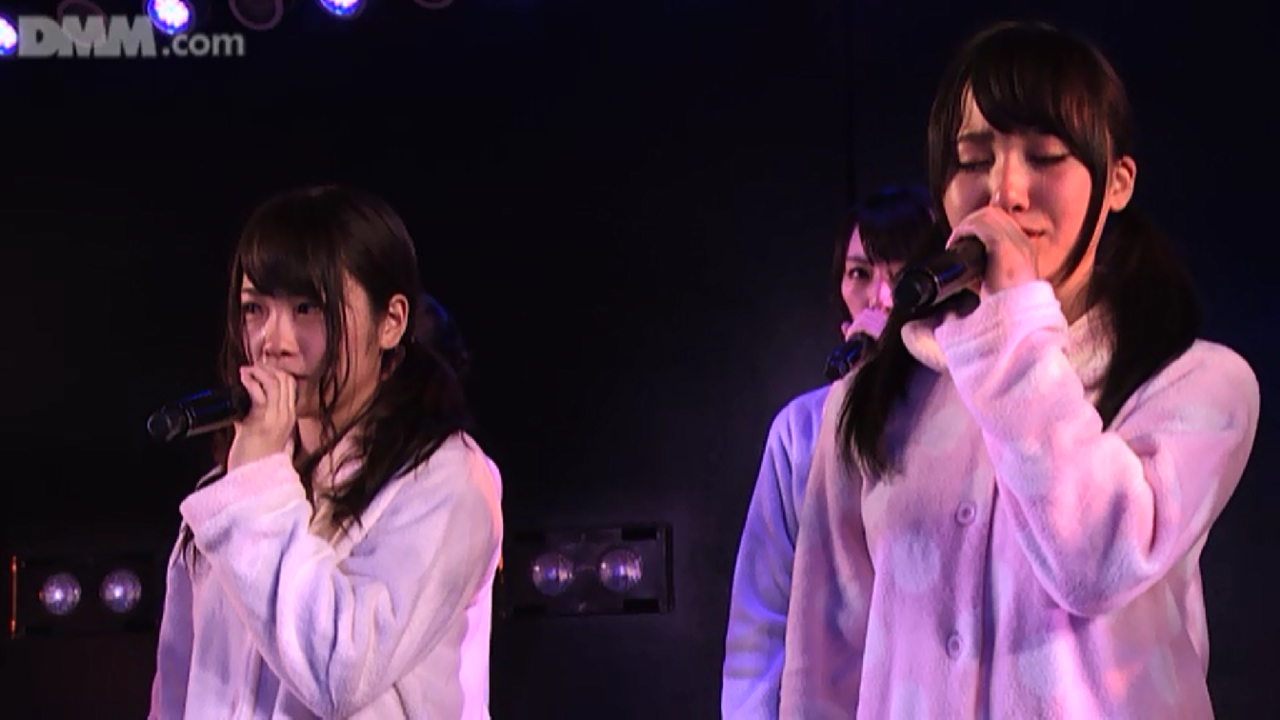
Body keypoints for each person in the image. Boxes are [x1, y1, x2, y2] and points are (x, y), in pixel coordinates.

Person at [778, 20, 1260, 718]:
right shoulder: (869, 398)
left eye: (1045, 156)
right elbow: (823, 659)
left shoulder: (1197, 385)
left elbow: (1096, 561)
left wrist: (1011, 322)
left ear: (1116, 182)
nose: (1004, 191)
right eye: (973, 160)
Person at [149, 185, 504, 719]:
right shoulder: (229, 493)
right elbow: (176, 689)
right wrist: (250, 483)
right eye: (254, 309)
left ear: (391, 322)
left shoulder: (446, 480)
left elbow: (340, 670)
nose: (273, 341)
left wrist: (255, 487)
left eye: (307, 308)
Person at [721, 184, 944, 717]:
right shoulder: (801, 430)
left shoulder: (966, 418)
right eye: (860, 273)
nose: (880, 296)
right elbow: (760, 614)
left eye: (900, 273)